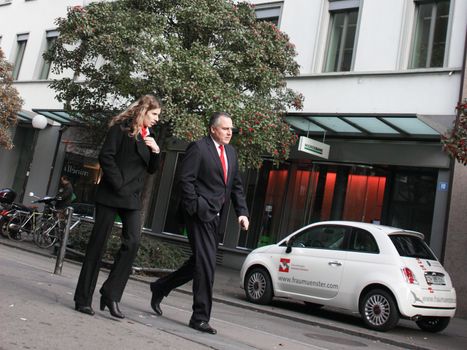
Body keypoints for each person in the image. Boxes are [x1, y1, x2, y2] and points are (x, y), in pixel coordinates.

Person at [149, 112, 249, 335]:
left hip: (216, 217)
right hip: (198, 214)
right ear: (213, 129)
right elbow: (186, 180)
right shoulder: (199, 148)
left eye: (231, 129)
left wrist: (242, 212)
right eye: (225, 129)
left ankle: (160, 287)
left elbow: (236, 186)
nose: (229, 132)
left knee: (199, 263)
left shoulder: (231, 153)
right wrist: (195, 206)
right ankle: (200, 317)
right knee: (207, 264)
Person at [74, 95, 162, 318]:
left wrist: (156, 152)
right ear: (143, 111)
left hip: (131, 199)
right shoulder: (120, 129)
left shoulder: (148, 136)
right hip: (111, 194)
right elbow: (106, 156)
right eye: (154, 114)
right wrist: (119, 184)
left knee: (132, 242)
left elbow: (151, 170)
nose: (157, 119)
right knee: (97, 246)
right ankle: (83, 299)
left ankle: (110, 293)